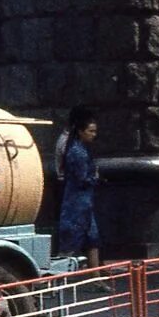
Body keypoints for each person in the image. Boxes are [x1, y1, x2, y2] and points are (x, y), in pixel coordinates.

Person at [58, 110, 108, 290]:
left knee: (92, 241)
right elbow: (82, 179)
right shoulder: (77, 152)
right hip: (76, 204)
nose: (94, 135)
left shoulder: (80, 149)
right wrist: (96, 178)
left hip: (84, 203)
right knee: (71, 242)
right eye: (91, 131)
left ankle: (96, 279)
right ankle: (59, 281)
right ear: (81, 131)